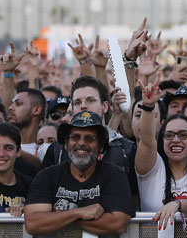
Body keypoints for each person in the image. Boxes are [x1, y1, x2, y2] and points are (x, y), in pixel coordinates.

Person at [24, 111, 135, 235]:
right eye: (75, 137)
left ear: (101, 147)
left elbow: (117, 224)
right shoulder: (47, 176)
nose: (81, 143)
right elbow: (33, 223)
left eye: (90, 138)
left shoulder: (114, 175)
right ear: (66, 144)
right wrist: (78, 212)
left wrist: (59, 218)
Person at [41, 76, 139, 204]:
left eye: (90, 100)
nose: (83, 106)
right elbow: (42, 199)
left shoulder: (127, 150)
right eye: (77, 102)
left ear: (105, 106)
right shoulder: (56, 149)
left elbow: (135, 201)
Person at [134, 77, 187, 228]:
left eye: (183, 135)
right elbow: (147, 139)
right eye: (169, 135)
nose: (175, 140)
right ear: (161, 141)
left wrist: (176, 205)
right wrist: (148, 106)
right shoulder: (152, 169)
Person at [8, 88, 46, 155]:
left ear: (36, 110)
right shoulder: (3, 147)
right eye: (12, 103)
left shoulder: (47, 149)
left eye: (18, 103)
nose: (10, 107)